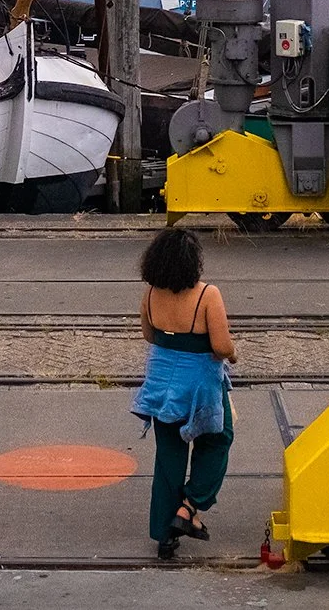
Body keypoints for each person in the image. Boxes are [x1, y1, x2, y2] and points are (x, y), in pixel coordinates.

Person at [130, 227, 237, 560]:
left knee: (169, 457)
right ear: (193, 263)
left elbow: (150, 335)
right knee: (217, 440)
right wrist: (233, 353)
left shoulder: (150, 295)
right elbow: (220, 346)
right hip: (201, 386)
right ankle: (190, 506)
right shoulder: (208, 295)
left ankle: (164, 536)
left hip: (162, 383)